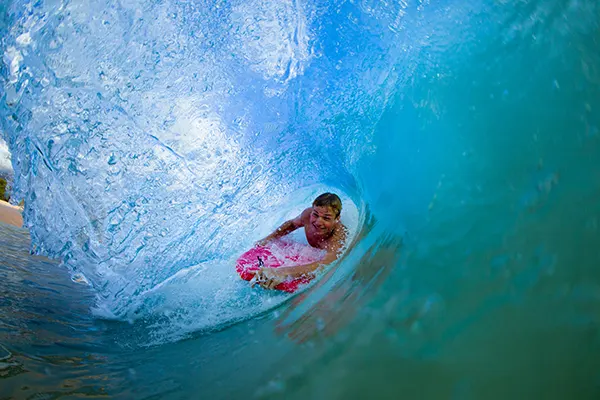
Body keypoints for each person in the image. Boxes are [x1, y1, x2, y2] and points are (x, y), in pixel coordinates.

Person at [252, 192, 348, 290]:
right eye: (315, 215)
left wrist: (282, 271)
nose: (318, 222)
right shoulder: (307, 215)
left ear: (337, 219)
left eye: (326, 218)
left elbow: (325, 265)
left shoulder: (338, 236)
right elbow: (292, 224)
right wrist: (268, 239)